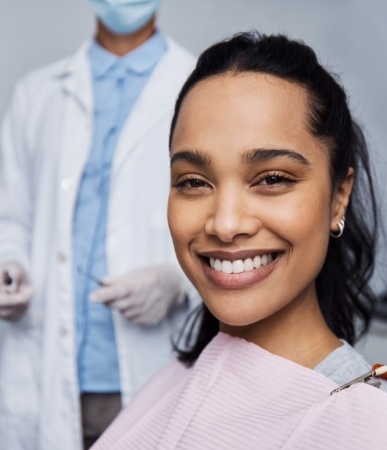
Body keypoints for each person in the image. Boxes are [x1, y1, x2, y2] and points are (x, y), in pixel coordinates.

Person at [91, 31, 387, 449]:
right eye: (193, 181)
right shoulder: (171, 381)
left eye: (273, 179)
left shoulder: (385, 434)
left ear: (338, 196)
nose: (225, 225)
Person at [0, 1, 195, 449]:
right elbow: (12, 217)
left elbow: (222, 218)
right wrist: (10, 267)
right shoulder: (38, 93)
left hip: (151, 374)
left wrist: (177, 281)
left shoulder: (198, 86)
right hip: (47, 371)